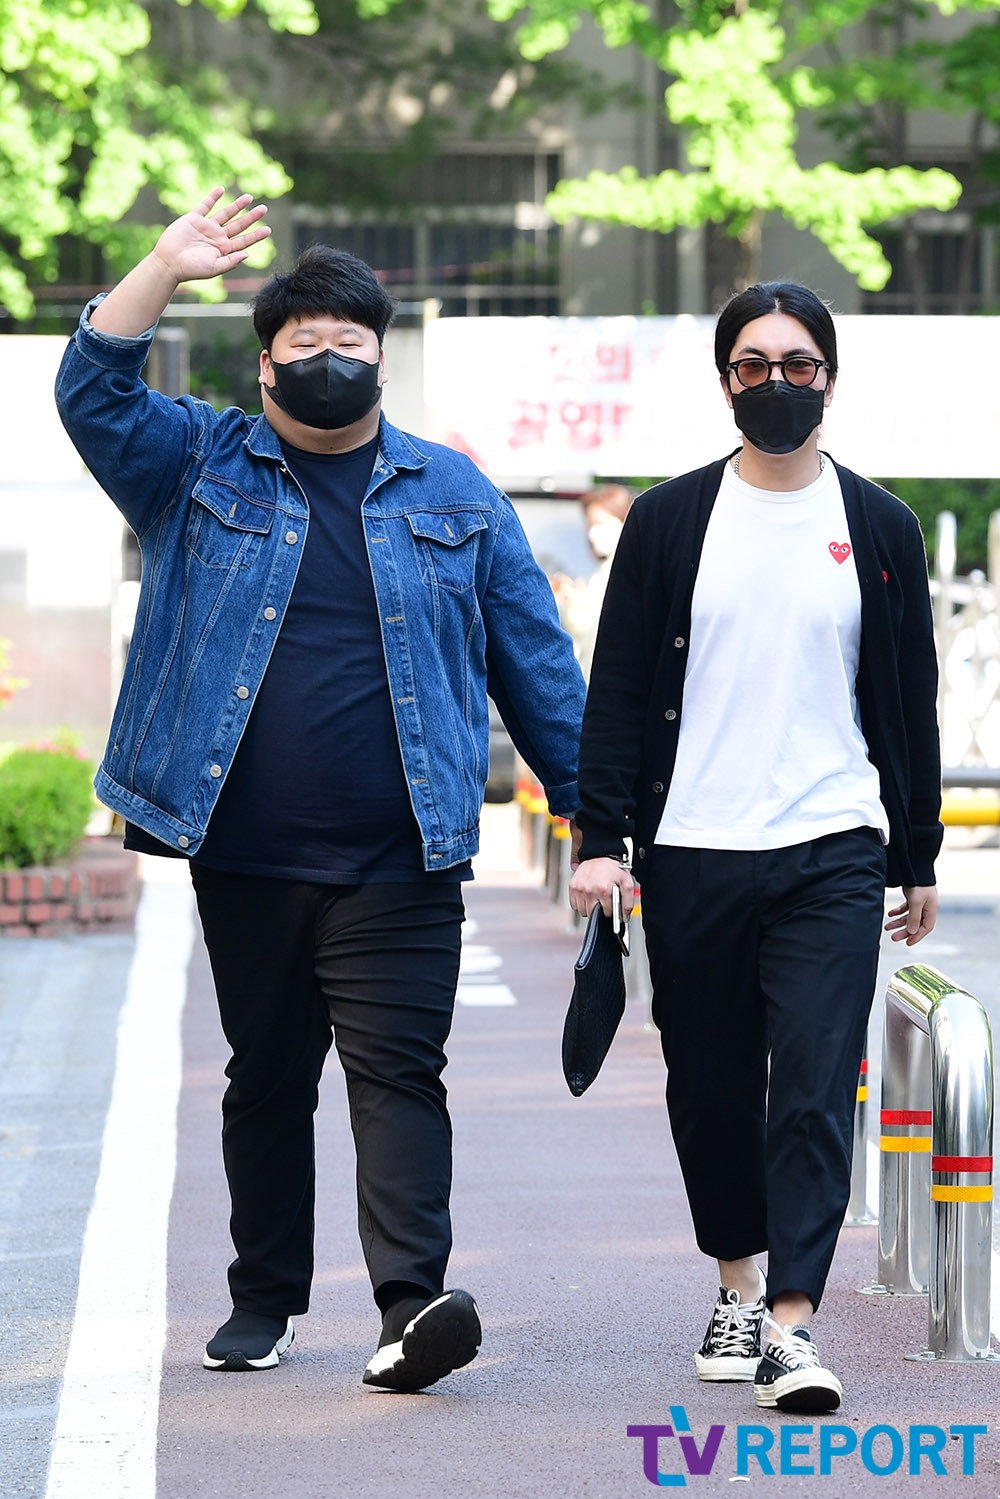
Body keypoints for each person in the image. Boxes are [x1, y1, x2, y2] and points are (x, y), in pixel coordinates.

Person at [55, 189, 586, 1391]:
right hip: (244, 848)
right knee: (266, 1075)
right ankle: (264, 1297)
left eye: (353, 343)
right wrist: (162, 265)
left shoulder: (455, 494)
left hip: (405, 853)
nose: (331, 360)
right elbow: (92, 392)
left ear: (383, 363)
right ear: (265, 367)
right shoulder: (196, 461)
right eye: (308, 344)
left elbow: (540, 669)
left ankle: (410, 1307)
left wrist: (594, 820)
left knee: (399, 1074)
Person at [568, 281, 941, 1415]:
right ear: (725, 380)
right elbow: (617, 689)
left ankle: (790, 1320)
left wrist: (916, 852)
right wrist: (599, 837)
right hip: (694, 845)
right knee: (712, 1085)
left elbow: (907, 701)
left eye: (797, 364)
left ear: (829, 377)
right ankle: (734, 1281)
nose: (775, 382)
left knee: (817, 1083)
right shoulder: (670, 521)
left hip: (832, 841)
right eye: (752, 365)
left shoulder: (879, 526)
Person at [555, 484, 634, 680]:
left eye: (600, 524)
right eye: (589, 526)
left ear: (624, 521)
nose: (593, 533)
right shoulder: (604, 569)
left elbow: (600, 624)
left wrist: (575, 601)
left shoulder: (627, 569)